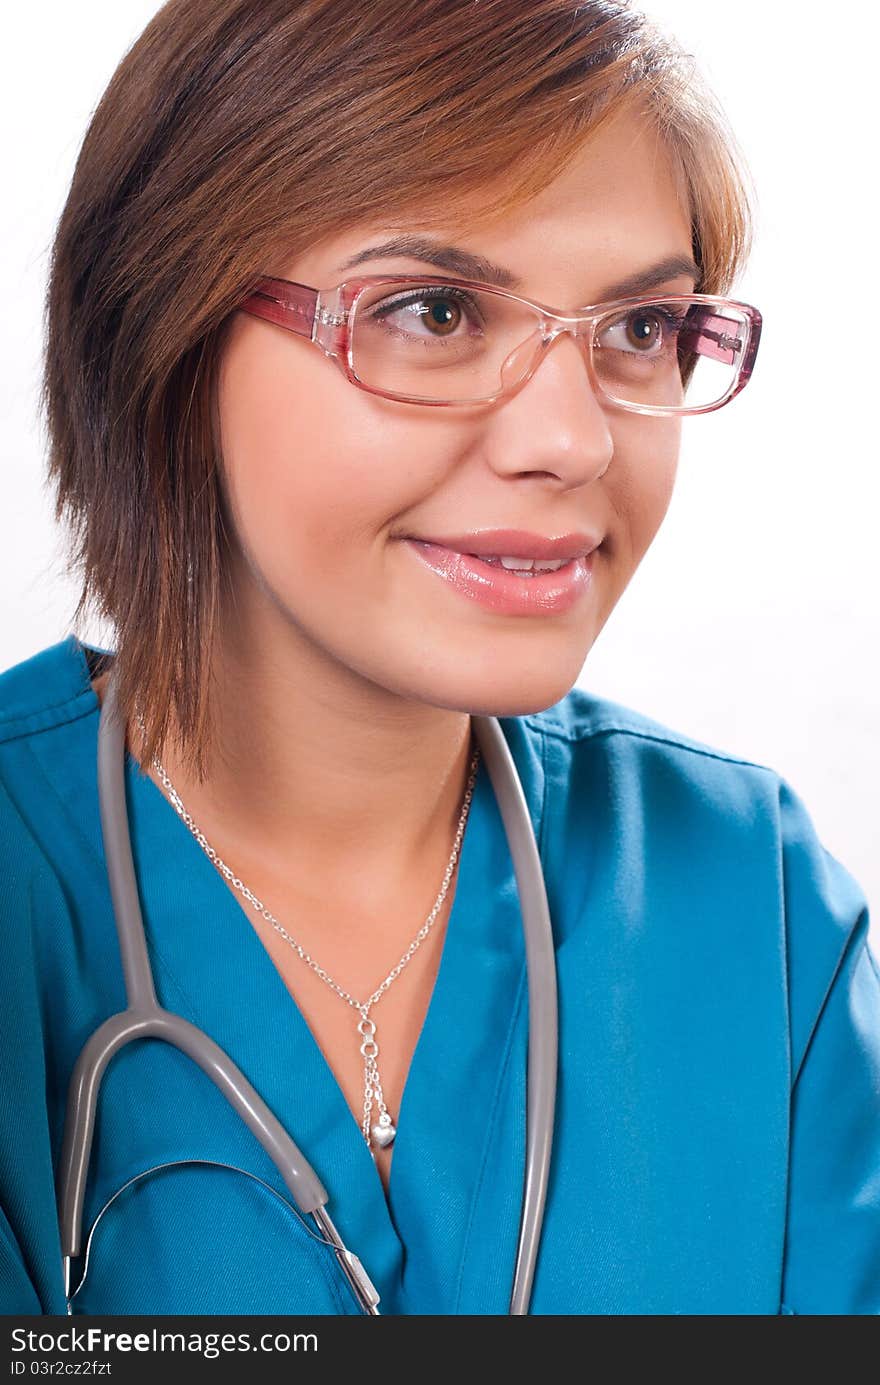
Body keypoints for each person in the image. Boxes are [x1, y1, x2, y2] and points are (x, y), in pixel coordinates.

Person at [1, 0, 877, 1317]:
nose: (570, 440)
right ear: (165, 332)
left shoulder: (749, 901)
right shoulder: (23, 892)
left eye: (640, 329)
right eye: (435, 310)